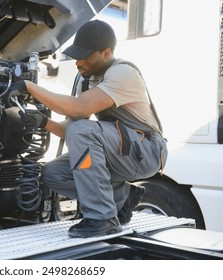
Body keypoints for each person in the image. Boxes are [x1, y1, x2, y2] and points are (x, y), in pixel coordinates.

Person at [9, 20, 167, 238]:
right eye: (76, 56)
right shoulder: (85, 79)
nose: (78, 62)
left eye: (85, 56)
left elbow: (80, 110)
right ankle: (123, 196)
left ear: (106, 53)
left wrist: (29, 87)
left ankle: (102, 218)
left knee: (81, 129)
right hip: (120, 150)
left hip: (148, 151)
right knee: (53, 174)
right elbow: (72, 129)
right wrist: (44, 122)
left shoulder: (123, 73)